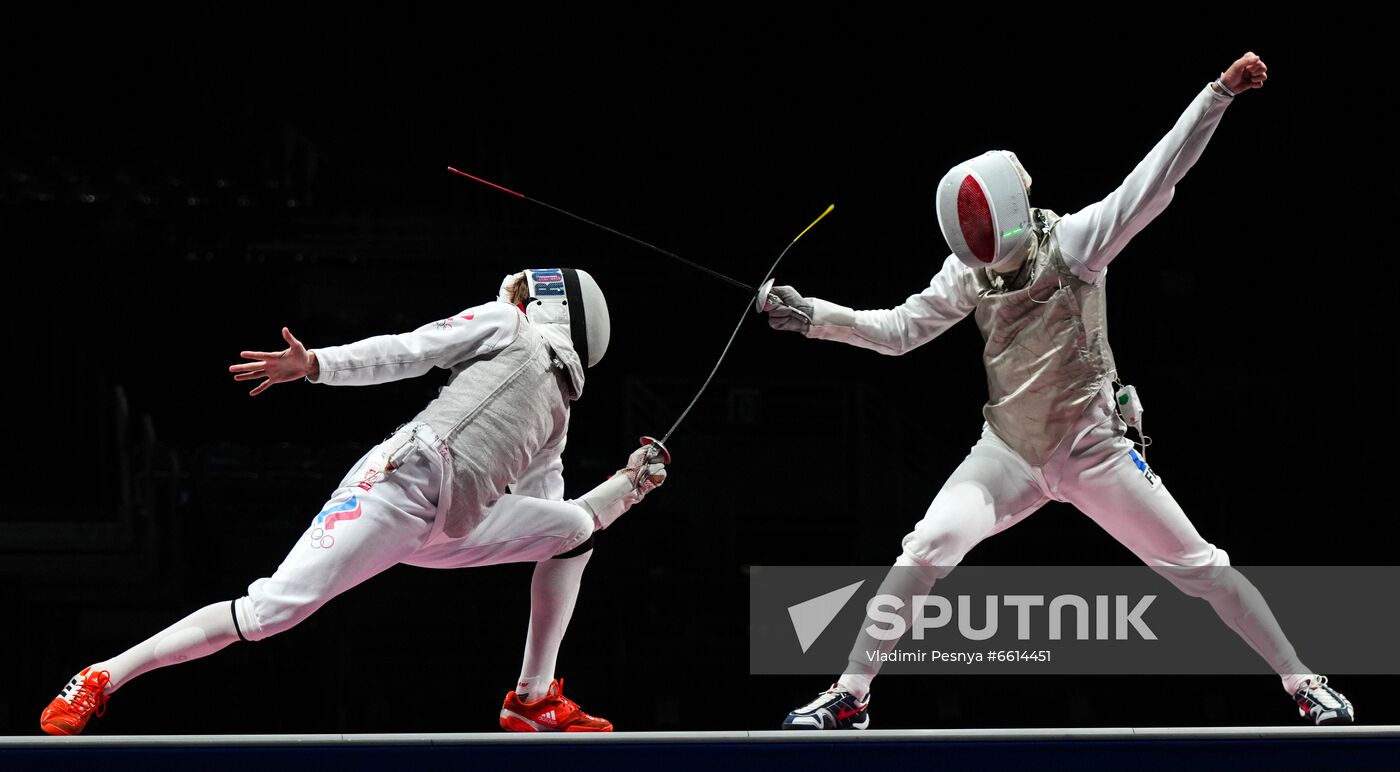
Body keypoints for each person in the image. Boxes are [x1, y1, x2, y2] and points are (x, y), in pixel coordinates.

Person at [767, 53, 1354, 728]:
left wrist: (1217, 94)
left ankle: (1306, 683)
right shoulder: (968, 274)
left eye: (984, 224)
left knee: (1202, 567)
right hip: (1008, 452)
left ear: (1010, 210)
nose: (977, 239)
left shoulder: (1075, 243)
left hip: (1092, 448)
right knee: (926, 546)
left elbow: (1154, 181)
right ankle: (851, 695)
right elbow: (899, 330)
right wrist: (813, 316)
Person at [40, 267, 667, 735]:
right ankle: (103, 675)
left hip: (456, 525)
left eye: (532, 294)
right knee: (266, 614)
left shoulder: (557, 413)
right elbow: (410, 349)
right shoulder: (508, 328)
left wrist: (630, 483)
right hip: (396, 491)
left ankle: (531, 700)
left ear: (554, 306)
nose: (520, 299)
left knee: (575, 531)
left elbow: (547, 516)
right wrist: (315, 365)